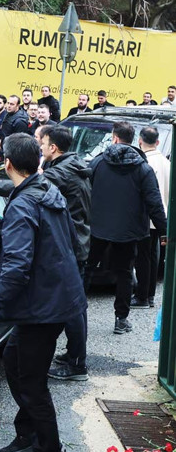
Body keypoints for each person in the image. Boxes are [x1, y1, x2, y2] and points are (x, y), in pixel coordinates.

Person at [0, 133, 84, 452]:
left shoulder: (23, 206)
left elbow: (17, 266)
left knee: (31, 381)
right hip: (55, 297)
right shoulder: (44, 186)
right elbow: (18, 187)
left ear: (7, 163)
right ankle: (28, 434)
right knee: (14, 361)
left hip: (45, 305)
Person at [87, 121, 167, 334]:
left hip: (98, 227)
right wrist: (165, 231)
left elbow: (84, 191)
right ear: (133, 140)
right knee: (124, 273)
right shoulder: (143, 168)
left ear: (114, 138)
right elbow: (154, 203)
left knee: (86, 269)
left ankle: (75, 313)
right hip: (129, 230)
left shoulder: (98, 163)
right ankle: (121, 319)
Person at [35, 126, 92, 382]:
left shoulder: (61, 172)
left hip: (71, 244)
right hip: (78, 240)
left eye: (42, 143)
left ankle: (77, 364)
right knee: (76, 305)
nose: (40, 147)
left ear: (53, 147)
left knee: (73, 308)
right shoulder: (72, 164)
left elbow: (29, 186)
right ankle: (73, 355)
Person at [133, 126, 170, 308]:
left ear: (140, 141)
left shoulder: (144, 163)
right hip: (162, 216)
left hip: (146, 216)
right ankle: (150, 295)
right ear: (157, 142)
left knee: (142, 257)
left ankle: (142, 295)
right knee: (153, 256)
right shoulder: (167, 163)